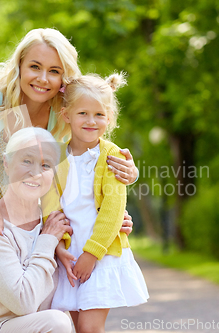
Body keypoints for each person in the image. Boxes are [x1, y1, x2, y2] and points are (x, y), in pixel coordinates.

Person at [0, 28, 139, 295]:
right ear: (19, 64)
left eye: (54, 71)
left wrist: (115, 196)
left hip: (27, 183)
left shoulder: (65, 105)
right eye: (35, 66)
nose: (43, 79)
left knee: (32, 274)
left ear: (64, 76)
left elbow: (84, 156)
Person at [42, 73, 149, 333]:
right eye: (83, 114)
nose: (91, 121)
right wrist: (57, 247)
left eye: (100, 115)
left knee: (90, 328)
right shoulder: (56, 156)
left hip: (99, 255)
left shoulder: (111, 155)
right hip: (69, 255)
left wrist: (91, 254)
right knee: (78, 328)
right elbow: (49, 207)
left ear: (109, 118)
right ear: (66, 115)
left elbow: (113, 210)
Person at [0, 127, 73, 333]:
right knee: (57, 322)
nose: (35, 172)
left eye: (45, 165)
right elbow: (23, 302)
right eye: (27, 160)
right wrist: (47, 241)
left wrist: (118, 224)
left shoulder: (54, 226)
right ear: (6, 164)